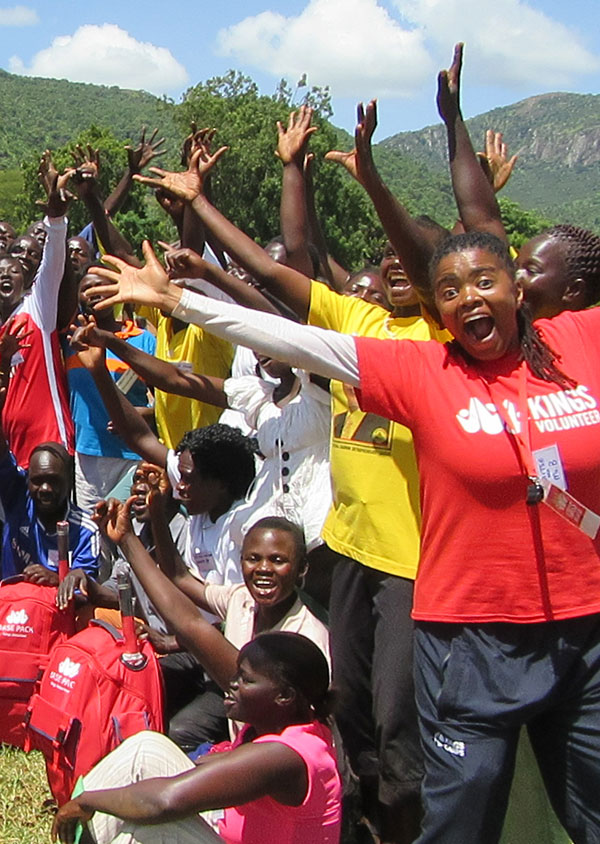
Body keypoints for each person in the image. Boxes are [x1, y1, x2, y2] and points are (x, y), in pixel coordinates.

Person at [86, 228, 600, 843]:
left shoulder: (580, 340)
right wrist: (180, 302)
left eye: (485, 282)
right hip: (472, 641)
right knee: (463, 816)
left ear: (517, 288)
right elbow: (296, 338)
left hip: (585, 633)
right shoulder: (421, 368)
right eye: (450, 291)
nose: (468, 299)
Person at [52, 631, 341, 844]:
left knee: (150, 830)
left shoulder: (283, 756)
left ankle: (82, 824)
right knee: (146, 747)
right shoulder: (276, 729)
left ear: (285, 697)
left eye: (246, 680)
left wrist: (89, 801)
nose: (232, 684)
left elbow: (164, 801)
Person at [65, 273, 156, 512]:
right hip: (88, 454)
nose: (94, 291)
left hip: (133, 452)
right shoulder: (70, 341)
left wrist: (141, 414)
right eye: (86, 288)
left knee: (130, 525)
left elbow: (166, 403)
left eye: (100, 285)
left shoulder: (143, 340)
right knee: (94, 529)